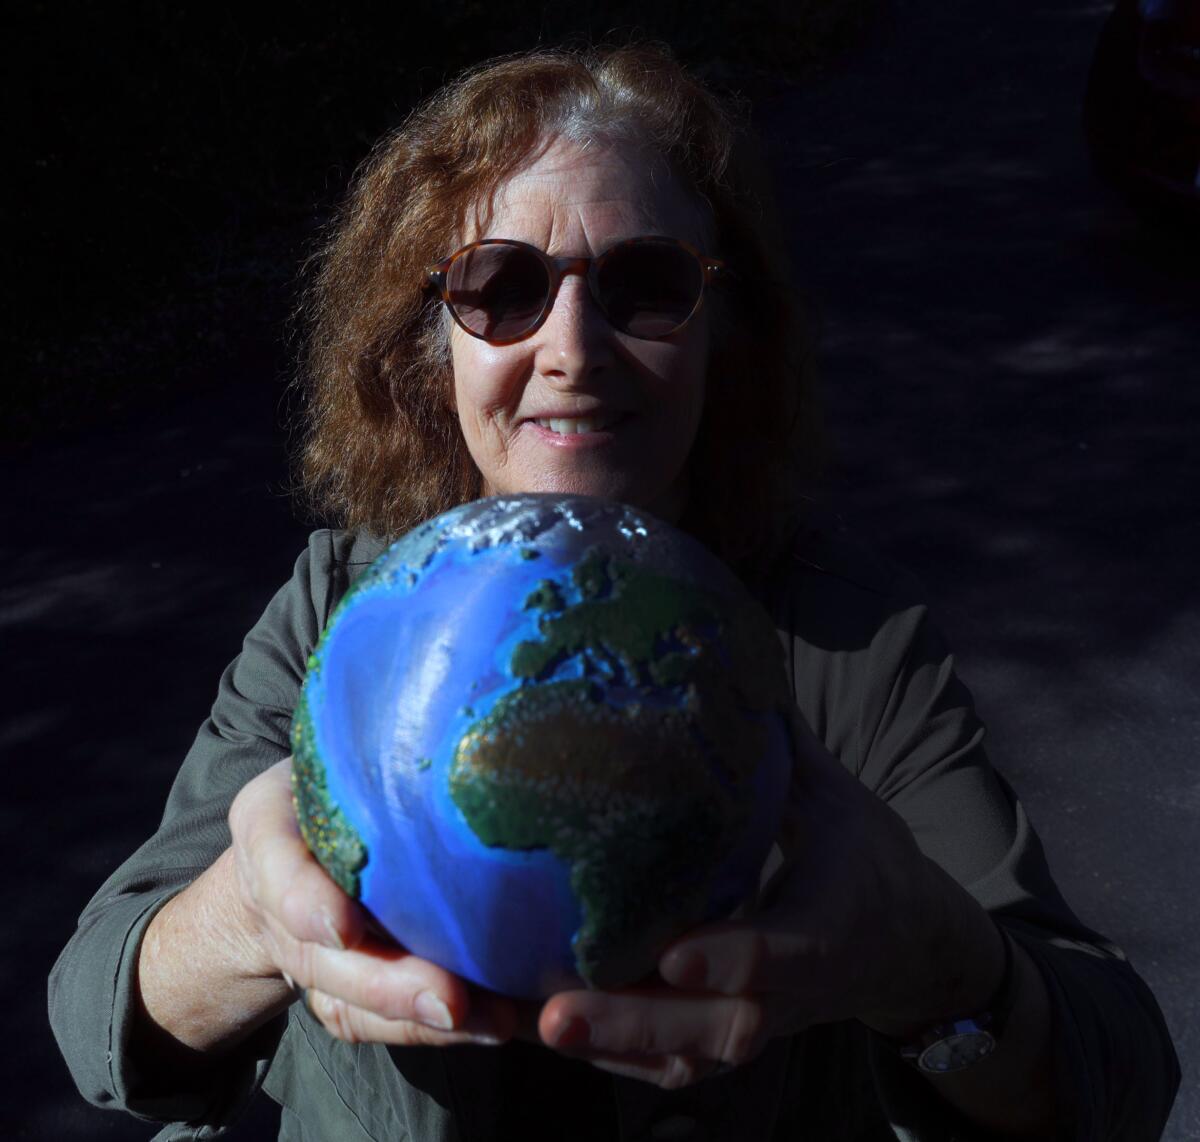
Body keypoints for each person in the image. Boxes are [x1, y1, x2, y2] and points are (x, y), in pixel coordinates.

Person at [49, 44, 1179, 1142]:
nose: (572, 348)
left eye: (647, 284)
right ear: (426, 341)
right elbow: (100, 1009)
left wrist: (931, 957)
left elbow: (1113, 1075)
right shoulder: (340, 617)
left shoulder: (846, 640)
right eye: (500, 288)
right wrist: (249, 911)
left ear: (724, 332)